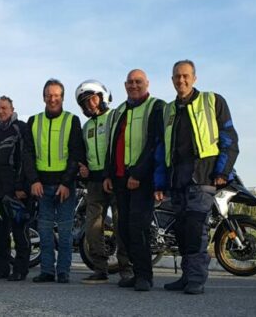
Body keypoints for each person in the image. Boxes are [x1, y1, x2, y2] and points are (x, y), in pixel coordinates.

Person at [155, 60, 239, 295]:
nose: (181, 80)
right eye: (176, 77)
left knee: (195, 229)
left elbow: (229, 139)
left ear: (194, 78)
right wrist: (160, 182)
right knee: (181, 232)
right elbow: (162, 148)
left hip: (203, 178)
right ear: (172, 80)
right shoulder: (169, 110)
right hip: (177, 180)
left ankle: (196, 279)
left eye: (185, 76)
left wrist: (222, 171)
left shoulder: (212, 101)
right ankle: (186, 276)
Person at [103, 69, 165, 291]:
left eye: (138, 81)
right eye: (130, 82)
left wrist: (138, 174)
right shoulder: (119, 110)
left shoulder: (156, 107)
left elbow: (155, 144)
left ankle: (144, 277)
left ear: (147, 83)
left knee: (138, 228)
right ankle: (135, 272)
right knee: (124, 229)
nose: (134, 85)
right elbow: (112, 144)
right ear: (124, 85)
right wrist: (109, 174)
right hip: (120, 179)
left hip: (142, 179)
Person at [24, 79, 85, 284]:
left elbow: (76, 154)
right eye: (49, 95)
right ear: (43, 97)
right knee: (44, 231)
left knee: (66, 231)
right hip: (41, 185)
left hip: (64, 186)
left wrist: (67, 183)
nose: (52, 99)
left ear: (62, 98)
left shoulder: (72, 120)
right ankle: (47, 271)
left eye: (56, 95)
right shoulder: (34, 121)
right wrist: (33, 180)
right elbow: (27, 153)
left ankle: (63, 271)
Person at [74, 81, 132, 285]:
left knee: (120, 223)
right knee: (93, 226)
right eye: (84, 102)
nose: (89, 104)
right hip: (94, 182)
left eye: (92, 98)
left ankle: (127, 269)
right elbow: (83, 153)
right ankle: (100, 268)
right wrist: (83, 168)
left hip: (117, 179)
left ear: (102, 95)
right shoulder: (86, 127)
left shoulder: (115, 118)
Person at [0, 96, 32, 281]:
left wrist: (22, 187)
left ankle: (21, 269)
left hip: (16, 191)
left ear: (12, 108)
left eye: (4, 108)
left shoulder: (20, 128)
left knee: (20, 232)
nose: (0, 111)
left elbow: (26, 159)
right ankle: (1, 268)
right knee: (0, 232)